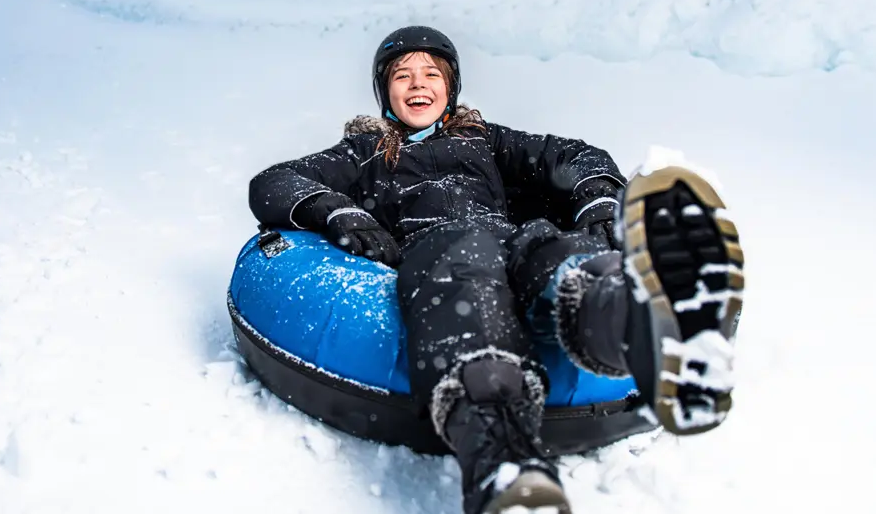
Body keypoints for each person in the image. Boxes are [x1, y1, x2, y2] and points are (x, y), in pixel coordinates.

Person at [247, 26, 745, 514]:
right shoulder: (368, 152)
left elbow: (572, 156)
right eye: (402, 75)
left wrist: (597, 199)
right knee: (465, 266)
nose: (418, 84)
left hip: (510, 238)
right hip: (436, 250)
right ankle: (504, 463)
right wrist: (338, 210)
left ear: (450, 87)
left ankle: (642, 325)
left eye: (431, 74)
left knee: (553, 250)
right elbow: (274, 182)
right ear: (385, 92)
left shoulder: (483, 140)